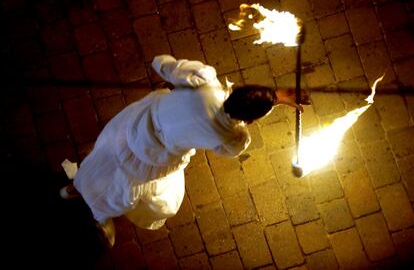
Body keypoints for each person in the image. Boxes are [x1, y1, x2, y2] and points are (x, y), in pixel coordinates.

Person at [60, 54, 307, 247]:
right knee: (126, 188)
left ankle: (72, 189)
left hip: (135, 123)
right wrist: (276, 100)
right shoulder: (235, 136)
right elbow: (228, 149)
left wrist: (174, 82)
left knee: (105, 154)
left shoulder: (203, 79)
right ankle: (99, 215)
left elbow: (162, 63)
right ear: (250, 121)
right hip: (153, 157)